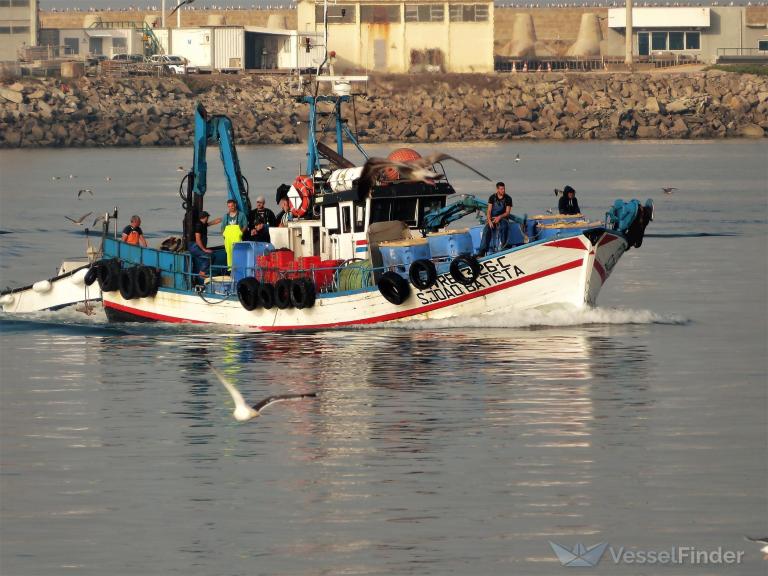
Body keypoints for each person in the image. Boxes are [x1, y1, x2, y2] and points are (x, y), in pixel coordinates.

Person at [477, 182, 513, 257]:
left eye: (504, 189)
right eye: (501, 189)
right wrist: (489, 221)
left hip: (503, 218)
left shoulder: (508, 198)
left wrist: (499, 217)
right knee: (486, 230)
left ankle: (504, 246)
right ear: (497, 189)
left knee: (504, 227)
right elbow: (489, 211)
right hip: (493, 218)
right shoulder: (492, 198)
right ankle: (482, 251)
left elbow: (507, 212)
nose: (503, 190)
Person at [188, 211, 218, 279]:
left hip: (198, 246)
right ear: (205, 217)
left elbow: (212, 223)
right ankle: (202, 273)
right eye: (208, 217)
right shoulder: (198, 225)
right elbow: (198, 240)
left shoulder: (203, 224)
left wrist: (222, 219)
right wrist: (205, 249)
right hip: (194, 247)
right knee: (210, 257)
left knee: (212, 254)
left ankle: (204, 272)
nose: (208, 219)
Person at [221, 199, 248, 269]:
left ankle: (239, 269)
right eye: (229, 206)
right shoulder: (225, 216)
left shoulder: (241, 215)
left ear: (235, 205)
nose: (230, 208)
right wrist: (224, 235)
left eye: (232, 206)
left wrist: (241, 232)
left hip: (237, 239)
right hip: (228, 241)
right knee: (229, 255)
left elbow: (245, 225)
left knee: (238, 254)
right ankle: (231, 271)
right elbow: (222, 228)